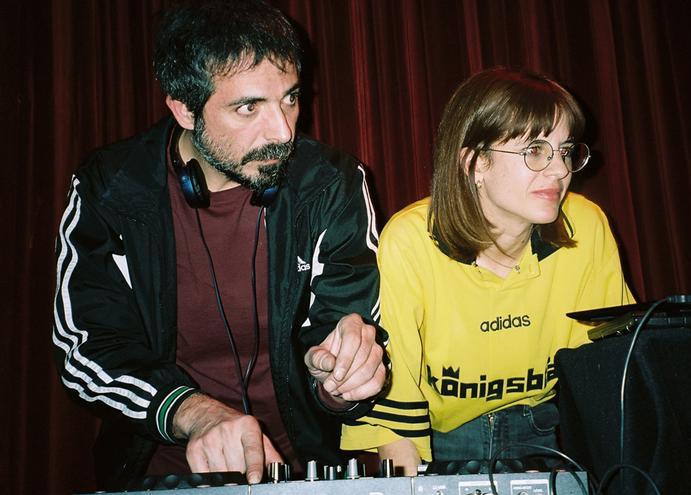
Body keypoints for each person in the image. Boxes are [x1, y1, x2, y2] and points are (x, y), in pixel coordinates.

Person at [51, 0, 386, 490]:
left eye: (290, 98)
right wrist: (194, 413)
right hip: (162, 472)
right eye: (249, 107)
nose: (283, 131)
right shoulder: (112, 188)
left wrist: (340, 377)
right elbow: (86, 348)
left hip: (299, 471)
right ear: (185, 109)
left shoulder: (329, 184)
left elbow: (340, 325)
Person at [340, 68, 634, 474]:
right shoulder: (411, 240)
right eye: (535, 150)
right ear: (475, 162)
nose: (559, 171)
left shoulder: (585, 226)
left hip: (542, 435)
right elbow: (396, 413)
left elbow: (610, 375)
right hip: (438, 444)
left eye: (565, 151)